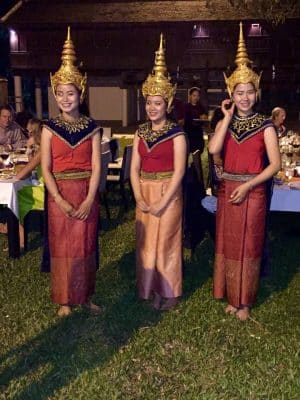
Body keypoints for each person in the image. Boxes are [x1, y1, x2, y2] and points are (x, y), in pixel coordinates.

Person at [209, 22, 281, 321]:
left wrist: (249, 186)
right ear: (231, 94)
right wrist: (225, 117)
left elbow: (275, 165)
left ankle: (245, 301)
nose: (244, 98)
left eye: (249, 92)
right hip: (228, 189)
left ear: (257, 92)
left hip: (253, 192)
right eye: (239, 92)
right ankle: (231, 295)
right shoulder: (226, 122)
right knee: (228, 242)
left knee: (249, 243)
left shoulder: (266, 125)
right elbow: (214, 149)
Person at [40, 27, 101, 317]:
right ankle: (65, 298)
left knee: (86, 245)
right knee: (63, 247)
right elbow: (46, 168)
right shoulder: (48, 128)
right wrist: (60, 200)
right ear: (55, 95)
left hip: (86, 192)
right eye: (60, 94)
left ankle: (86, 294)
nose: (66, 99)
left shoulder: (92, 127)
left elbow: (98, 166)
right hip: (60, 195)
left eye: (71, 93)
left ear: (81, 93)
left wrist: (90, 199)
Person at [130, 34, 187, 311]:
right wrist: (138, 196)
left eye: (158, 103)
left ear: (168, 104)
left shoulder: (177, 133)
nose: (152, 108)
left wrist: (164, 201)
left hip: (168, 193)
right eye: (149, 102)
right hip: (145, 190)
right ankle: (153, 289)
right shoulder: (140, 132)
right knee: (147, 245)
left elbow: (179, 172)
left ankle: (171, 291)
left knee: (166, 243)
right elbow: (134, 168)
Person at [16, 118, 44, 249]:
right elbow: (33, 166)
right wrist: (30, 151)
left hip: (46, 193)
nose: (27, 134)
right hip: (48, 186)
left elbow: (23, 174)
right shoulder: (45, 147)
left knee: (16, 195)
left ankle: (20, 241)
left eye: (28, 132)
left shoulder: (42, 150)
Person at [183, 87, 207, 154]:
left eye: (198, 96)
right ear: (190, 96)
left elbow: (204, 116)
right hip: (188, 131)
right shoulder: (186, 106)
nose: (196, 97)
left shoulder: (200, 106)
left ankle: (195, 164)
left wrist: (203, 117)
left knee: (199, 149)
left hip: (198, 131)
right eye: (194, 95)